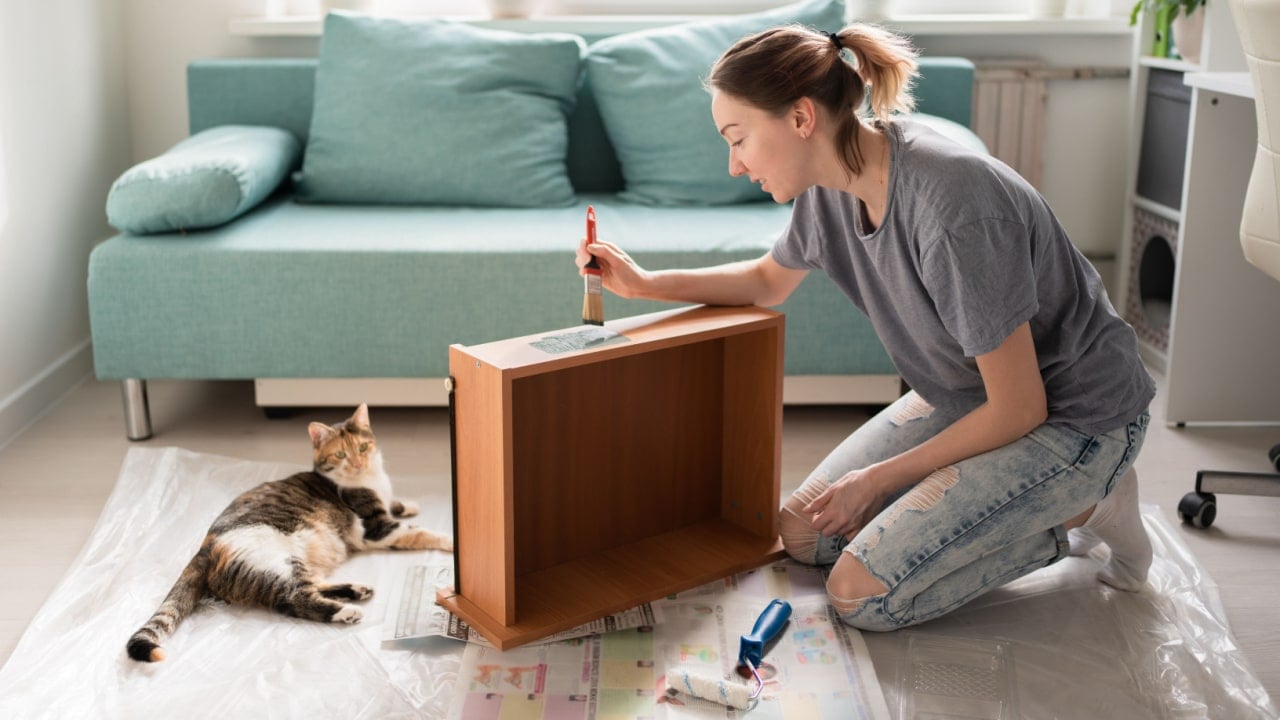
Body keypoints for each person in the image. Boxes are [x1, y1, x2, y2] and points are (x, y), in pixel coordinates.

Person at [575, 23, 1156, 632]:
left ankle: (1090, 504)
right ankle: (1001, 501)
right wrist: (642, 283)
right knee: (803, 533)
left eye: (738, 138)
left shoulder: (952, 204)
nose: (734, 166)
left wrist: (877, 481)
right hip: (969, 396)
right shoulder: (830, 187)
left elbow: (1020, 407)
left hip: (1078, 417)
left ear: (801, 118)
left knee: (862, 597)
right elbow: (767, 281)